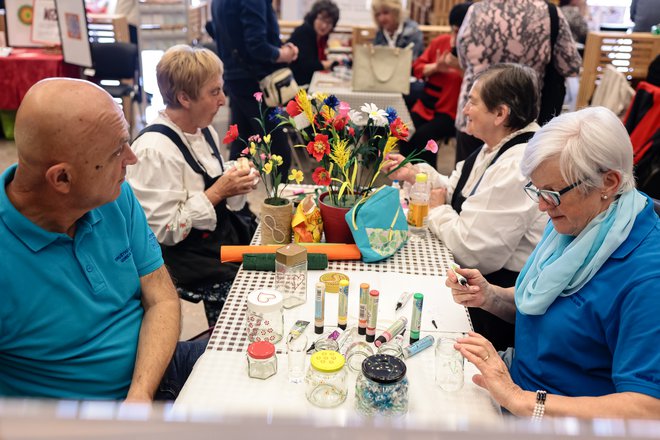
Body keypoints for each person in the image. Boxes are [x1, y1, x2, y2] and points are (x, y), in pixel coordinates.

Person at [447, 106, 660, 418]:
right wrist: (491, 296)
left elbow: (647, 410)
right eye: (537, 191)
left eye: (553, 194)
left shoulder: (646, 277)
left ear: (609, 183)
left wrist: (521, 399)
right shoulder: (581, 220)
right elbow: (545, 305)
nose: (543, 207)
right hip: (516, 384)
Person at [0, 78, 199, 400]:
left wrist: (140, 394)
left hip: (153, 370)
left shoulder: (113, 194)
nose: (132, 158)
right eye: (117, 150)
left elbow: (161, 298)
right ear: (62, 177)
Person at [384, 64, 547, 351]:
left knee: (402, 309)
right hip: (474, 280)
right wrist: (417, 174)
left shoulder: (518, 165)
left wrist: (435, 210)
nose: (465, 110)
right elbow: (456, 191)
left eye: (472, 101)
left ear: (500, 113)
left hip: (497, 302)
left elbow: (473, 250)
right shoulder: (495, 147)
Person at [127, 45, 257, 326]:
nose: (223, 99)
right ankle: (223, 347)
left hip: (214, 240)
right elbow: (163, 233)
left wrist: (237, 184)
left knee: (272, 256)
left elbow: (214, 189)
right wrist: (219, 190)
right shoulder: (154, 150)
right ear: (184, 97)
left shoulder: (203, 130)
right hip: (180, 257)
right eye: (214, 92)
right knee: (248, 293)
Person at [454, 0, 581, 163]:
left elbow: (463, 60)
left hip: (476, 113)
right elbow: (570, 66)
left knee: (466, 181)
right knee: (519, 181)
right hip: (522, 119)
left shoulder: (476, 11)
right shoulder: (549, 13)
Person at [211, 0, 298, 175]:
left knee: (241, 148)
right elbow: (257, 45)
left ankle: (234, 201)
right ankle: (276, 202)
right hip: (253, 81)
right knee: (280, 154)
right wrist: (284, 54)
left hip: (235, 77)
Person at [398, 2, 470, 167]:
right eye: (454, 29)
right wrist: (435, 67)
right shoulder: (440, 42)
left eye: (459, 30)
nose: (455, 35)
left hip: (451, 112)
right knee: (404, 131)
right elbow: (417, 69)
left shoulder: (472, 50)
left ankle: (427, 180)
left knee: (424, 137)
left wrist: (457, 67)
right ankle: (405, 176)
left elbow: (476, 81)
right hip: (426, 105)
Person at [287, 0, 340, 86]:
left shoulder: (321, 37)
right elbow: (307, 65)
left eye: (329, 22)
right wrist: (327, 64)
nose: (324, 26)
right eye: (322, 19)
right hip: (296, 84)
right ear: (314, 17)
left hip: (308, 82)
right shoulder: (304, 32)